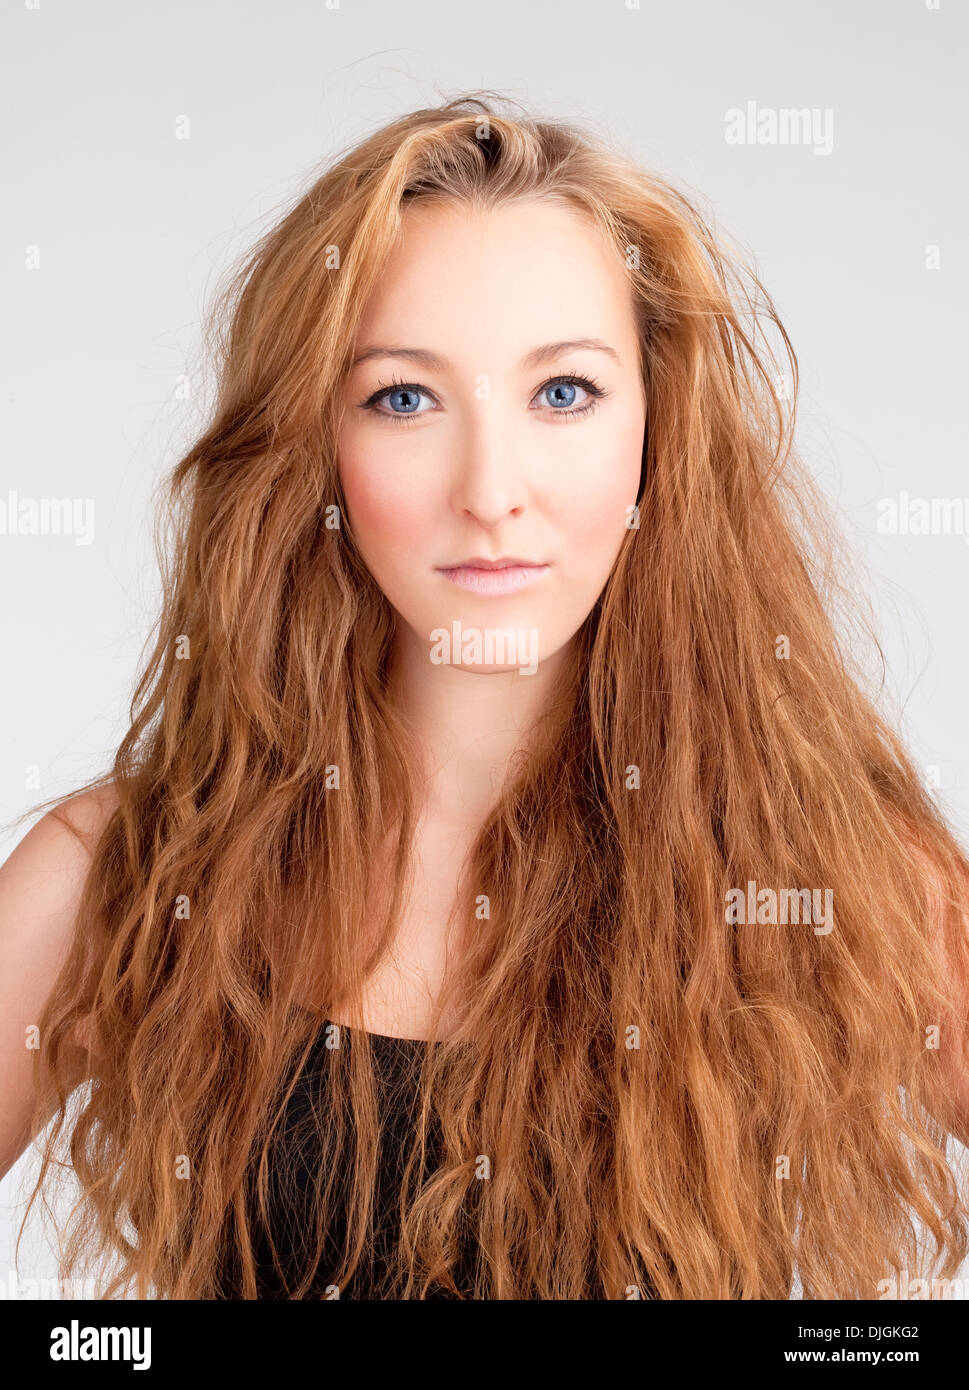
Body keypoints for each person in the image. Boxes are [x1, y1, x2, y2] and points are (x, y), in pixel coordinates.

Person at [2, 92, 968, 1301]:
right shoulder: (119, 878)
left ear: (660, 434)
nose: (491, 489)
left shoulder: (850, 875)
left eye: (563, 392)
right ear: (313, 446)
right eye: (404, 397)